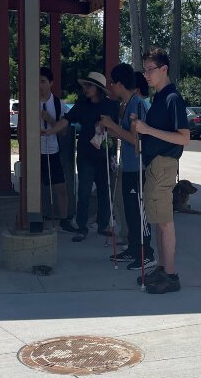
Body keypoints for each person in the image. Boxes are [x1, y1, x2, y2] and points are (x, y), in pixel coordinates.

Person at [132, 48, 190, 294]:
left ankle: (171, 274)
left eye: (150, 70)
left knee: (164, 221)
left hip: (164, 165)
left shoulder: (172, 98)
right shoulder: (159, 97)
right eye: (144, 70)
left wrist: (147, 130)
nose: (146, 75)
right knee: (158, 218)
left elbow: (184, 137)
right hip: (155, 164)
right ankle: (164, 268)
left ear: (163, 69)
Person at [44, 71, 119, 242]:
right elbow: (66, 120)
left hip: (105, 154)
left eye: (89, 85)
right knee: (84, 192)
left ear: (98, 88)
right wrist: (50, 131)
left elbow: (117, 130)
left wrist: (114, 150)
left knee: (104, 191)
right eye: (84, 85)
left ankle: (103, 225)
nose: (85, 88)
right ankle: (82, 226)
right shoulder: (81, 105)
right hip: (86, 155)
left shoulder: (111, 106)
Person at [100, 63, 156, 270]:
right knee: (130, 210)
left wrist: (113, 127)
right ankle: (134, 248)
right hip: (129, 166)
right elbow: (125, 134)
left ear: (120, 84)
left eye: (112, 83)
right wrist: (110, 129)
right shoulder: (128, 104)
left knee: (139, 212)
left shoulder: (137, 104)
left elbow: (136, 139)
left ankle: (146, 252)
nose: (111, 87)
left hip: (139, 167)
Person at [38, 66, 76, 233]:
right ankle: (37, 217)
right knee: (36, 187)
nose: (40, 85)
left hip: (52, 150)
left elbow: (64, 130)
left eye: (43, 82)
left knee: (60, 187)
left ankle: (63, 220)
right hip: (35, 151)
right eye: (37, 82)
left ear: (51, 83)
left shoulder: (58, 104)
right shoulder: (31, 102)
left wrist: (51, 120)